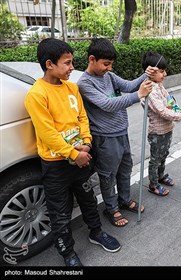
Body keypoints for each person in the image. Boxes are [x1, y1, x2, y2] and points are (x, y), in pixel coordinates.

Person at [24, 38, 121, 267]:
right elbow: (48, 134)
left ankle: (96, 232)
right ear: (50, 64)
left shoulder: (72, 88)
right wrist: (73, 154)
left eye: (72, 62)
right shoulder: (37, 95)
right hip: (56, 165)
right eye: (67, 63)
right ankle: (67, 253)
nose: (71, 68)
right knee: (59, 212)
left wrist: (86, 143)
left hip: (81, 157)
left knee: (88, 199)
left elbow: (82, 118)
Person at [77, 38, 154, 227]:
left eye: (111, 64)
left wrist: (145, 76)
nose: (109, 68)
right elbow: (108, 104)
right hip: (105, 137)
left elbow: (128, 86)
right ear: (92, 59)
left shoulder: (109, 77)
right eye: (106, 64)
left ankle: (124, 200)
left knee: (125, 169)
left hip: (121, 132)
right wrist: (138, 95)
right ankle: (111, 208)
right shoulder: (85, 83)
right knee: (108, 175)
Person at [140, 51, 181, 196]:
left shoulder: (159, 85)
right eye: (161, 71)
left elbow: (169, 102)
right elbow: (162, 111)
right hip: (157, 132)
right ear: (150, 72)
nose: (165, 74)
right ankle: (153, 184)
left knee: (164, 154)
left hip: (167, 128)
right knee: (155, 159)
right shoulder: (149, 89)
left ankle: (161, 176)